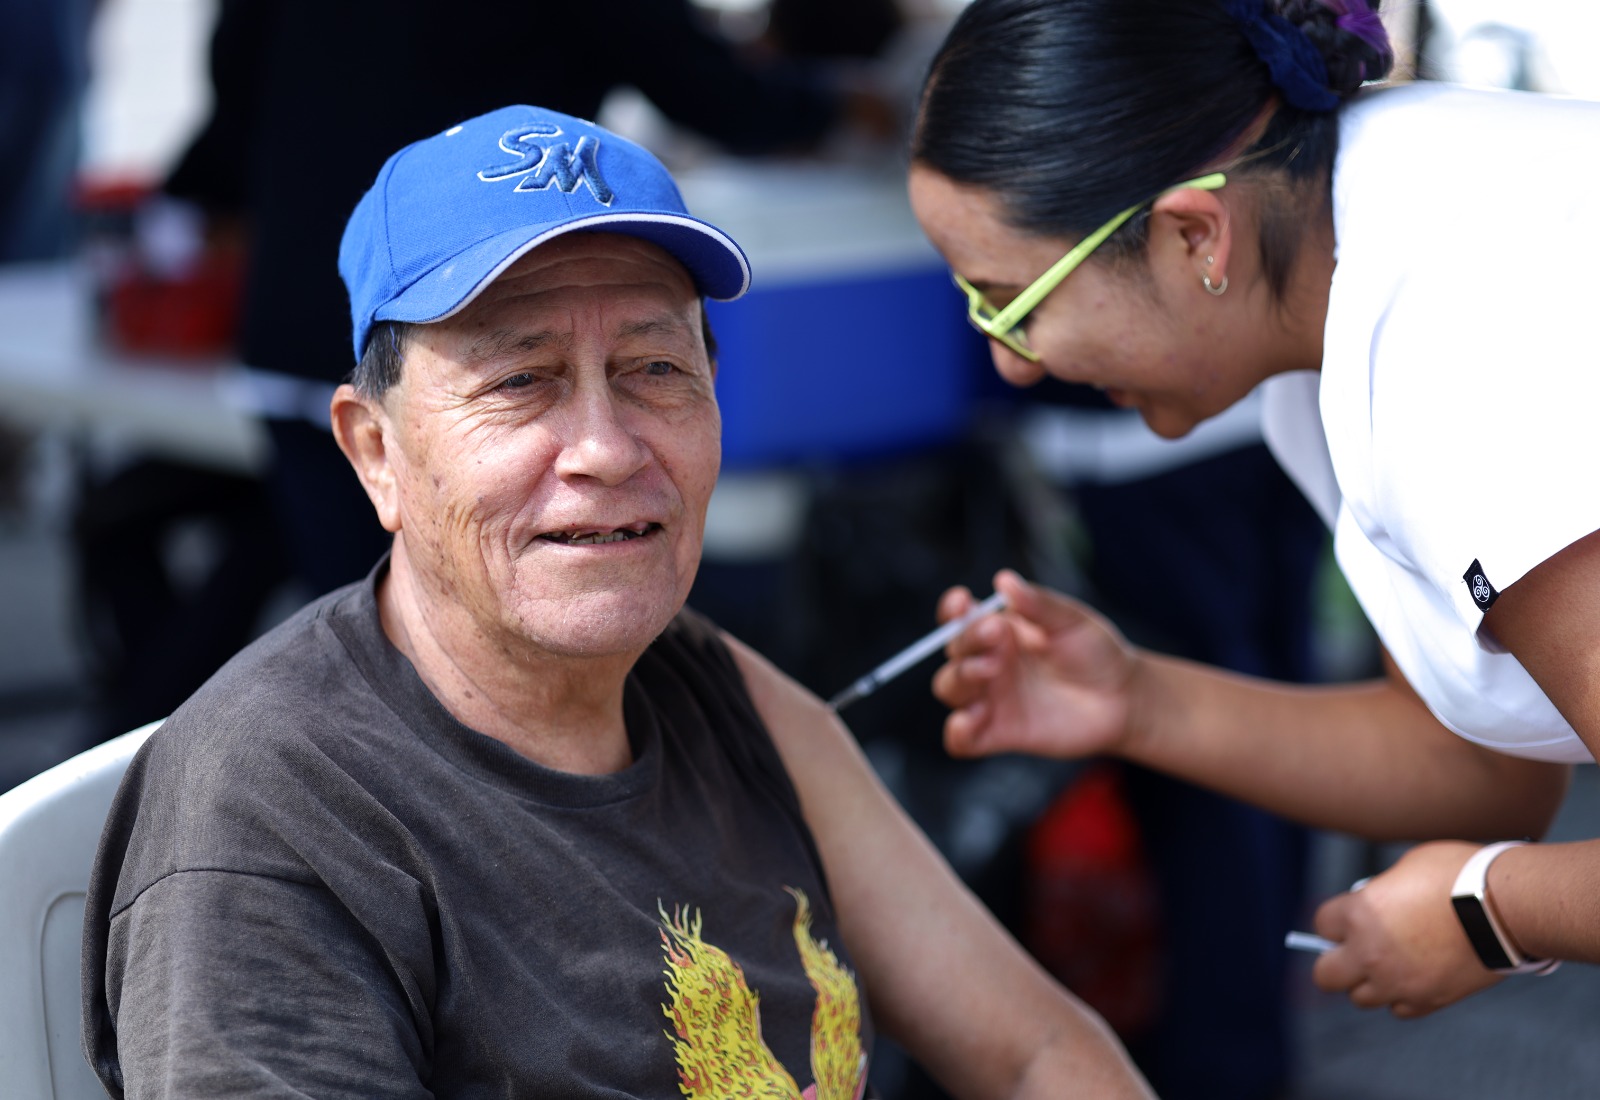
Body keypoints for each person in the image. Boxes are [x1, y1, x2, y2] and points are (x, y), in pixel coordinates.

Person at [80, 104, 1153, 1099]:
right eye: (520, 381)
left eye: (654, 369)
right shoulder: (277, 809)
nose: (604, 447)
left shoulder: (715, 692)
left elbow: (1037, 1051)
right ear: (376, 453)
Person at [905, 0, 1598, 1023]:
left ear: (1194, 233)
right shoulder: (1349, 242)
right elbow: (1487, 768)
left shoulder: (1443, 362)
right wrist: (1136, 698)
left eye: (1011, 302)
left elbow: (1500, 816)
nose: (1012, 362)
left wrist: (1487, 909)